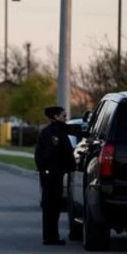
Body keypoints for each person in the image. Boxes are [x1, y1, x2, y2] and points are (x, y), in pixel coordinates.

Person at [34, 105, 76, 246]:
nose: (66, 118)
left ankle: (51, 236)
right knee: (51, 205)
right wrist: (45, 169)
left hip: (55, 174)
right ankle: (50, 237)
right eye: (63, 116)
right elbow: (43, 154)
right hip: (51, 175)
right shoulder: (51, 133)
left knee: (54, 206)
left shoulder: (60, 130)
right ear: (56, 117)